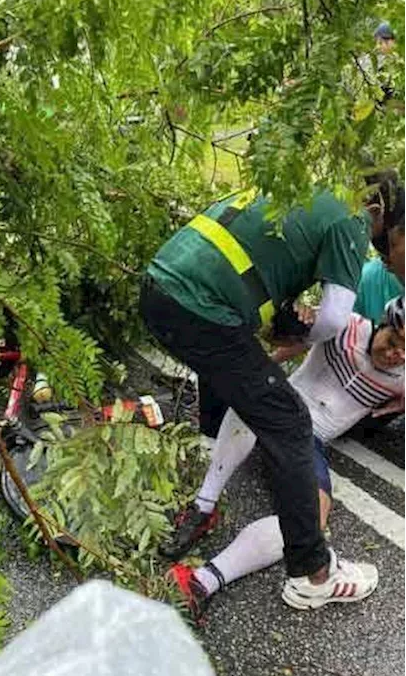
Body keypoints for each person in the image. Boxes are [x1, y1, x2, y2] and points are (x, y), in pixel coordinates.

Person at [141, 180, 397, 609]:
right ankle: (314, 574)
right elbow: (334, 318)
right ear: (381, 210)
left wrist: (281, 321)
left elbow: (262, 267)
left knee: (258, 399)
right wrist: (292, 333)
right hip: (202, 308)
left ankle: (203, 512)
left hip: (162, 287)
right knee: (289, 421)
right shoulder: (352, 219)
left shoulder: (303, 189)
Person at [168, 297, 406, 617]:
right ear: (383, 324)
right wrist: (293, 327)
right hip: (283, 405)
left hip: (311, 441)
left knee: (313, 521)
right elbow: (283, 345)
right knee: (257, 393)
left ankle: (201, 581)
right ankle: (203, 506)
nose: (397, 355)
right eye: (395, 342)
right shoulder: (345, 325)